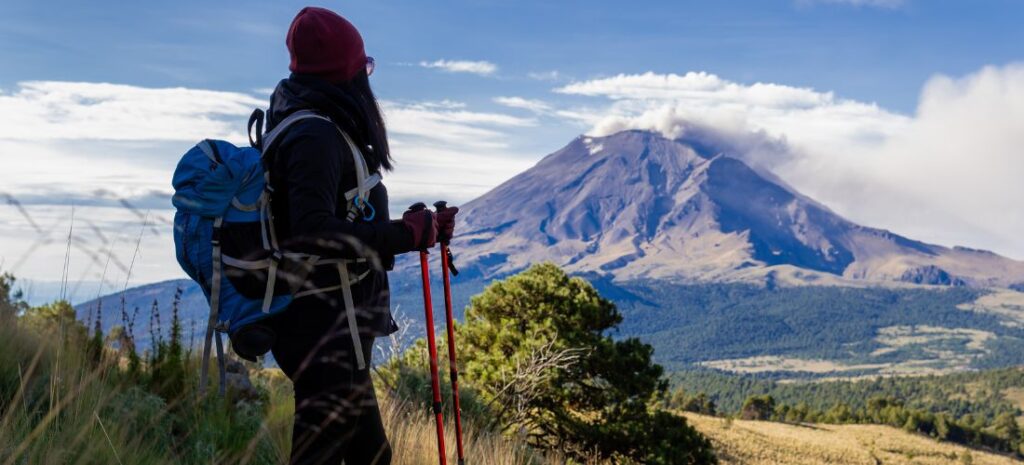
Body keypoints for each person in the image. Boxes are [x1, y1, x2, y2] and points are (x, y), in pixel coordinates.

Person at [262, 7, 458, 465]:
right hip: (326, 328)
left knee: (372, 455)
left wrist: (415, 229)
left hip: (334, 328)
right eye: (362, 67)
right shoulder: (314, 134)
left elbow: (343, 210)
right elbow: (310, 233)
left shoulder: (306, 119)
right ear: (345, 73)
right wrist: (405, 236)